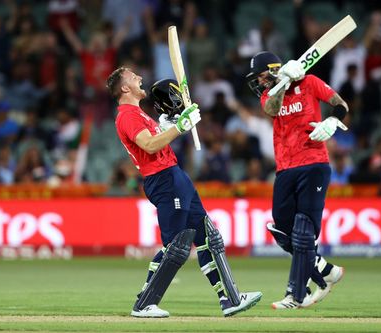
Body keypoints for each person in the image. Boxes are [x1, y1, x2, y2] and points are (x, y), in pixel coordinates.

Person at [106, 67, 262, 318]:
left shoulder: (139, 114)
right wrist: (180, 126)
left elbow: (156, 140)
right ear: (125, 88)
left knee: (209, 239)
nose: (140, 78)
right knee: (176, 246)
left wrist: (170, 123)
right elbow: (148, 144)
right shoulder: (127, 115)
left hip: (174, 176)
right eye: (134, 78)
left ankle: (230, 299)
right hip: (163, 180)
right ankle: (144, 304)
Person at [246, 51, 345, 309]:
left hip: (314, 163)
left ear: (272, 68)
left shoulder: (310, 82)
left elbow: (341, 104)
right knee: (281, 229)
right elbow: (271, 109)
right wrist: (282, 83)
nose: (259, 82)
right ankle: (324, 271)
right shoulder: (270, 95)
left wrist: (334, 120)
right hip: (285, 168)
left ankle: (296, 295)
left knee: (303, 230)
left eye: (261, 76)